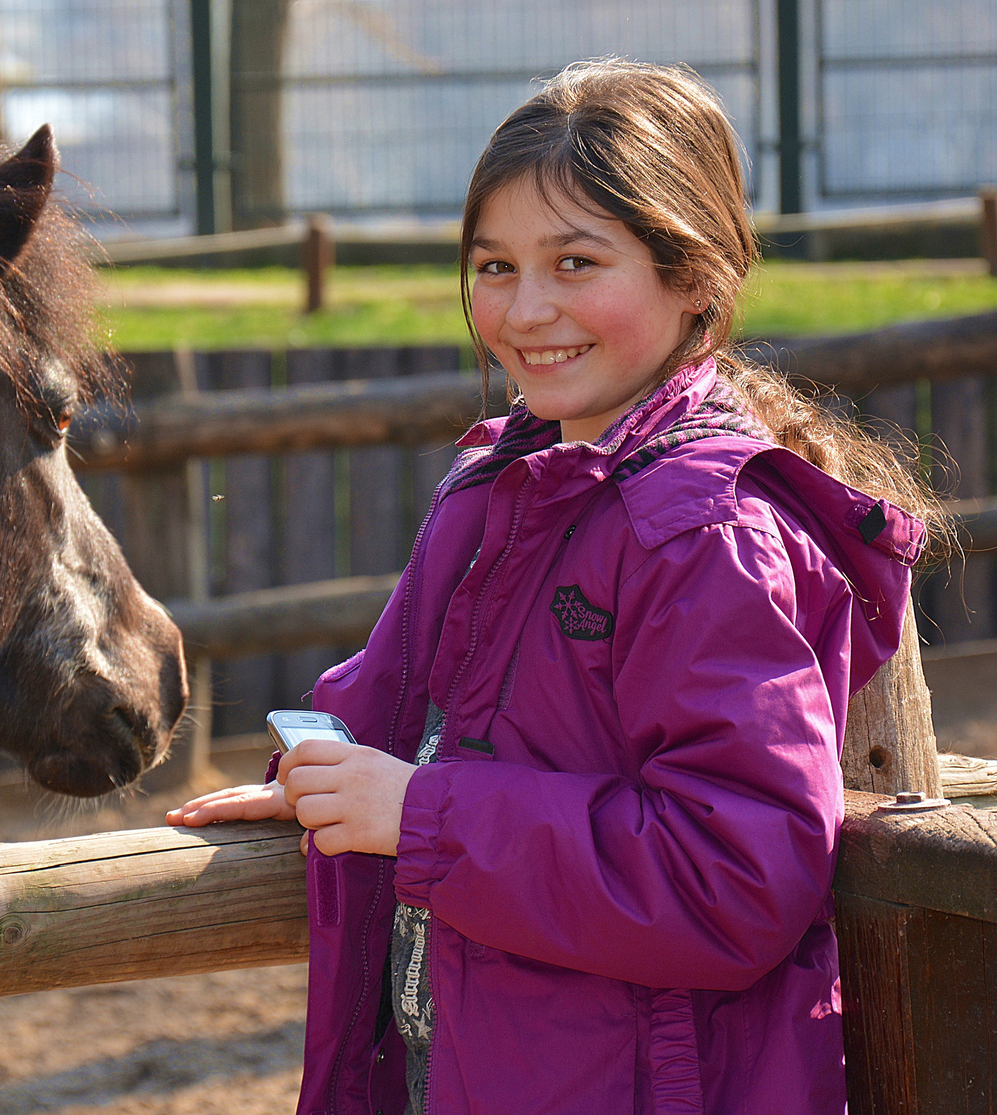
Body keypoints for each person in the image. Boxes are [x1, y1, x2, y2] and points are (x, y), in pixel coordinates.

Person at [166, 59, 942, 1115]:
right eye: (493, 266)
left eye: (575, 261)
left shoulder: (700, 534)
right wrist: (321, 774)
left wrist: (422, 814)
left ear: (694, 276)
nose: (526, 309)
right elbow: (400, 699)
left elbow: (736, 871)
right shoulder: (503, 483)